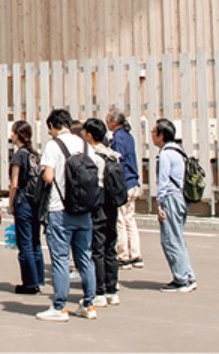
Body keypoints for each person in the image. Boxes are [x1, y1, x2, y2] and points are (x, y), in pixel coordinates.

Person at [36, 107, 97, 322]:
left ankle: (59, 306)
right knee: (84, 256)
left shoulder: (53, 146)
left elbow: (49, 177)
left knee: (61, 258)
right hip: (84, 208)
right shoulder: (84, 144)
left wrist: (42, 172)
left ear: (53, 126)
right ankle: (89, 303)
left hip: (59, 208)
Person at [153, 118, 197, 293]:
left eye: (153, 132)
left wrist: (159, 204)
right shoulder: (179, 151)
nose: (152, 135)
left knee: (170, 240)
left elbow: (163, 181)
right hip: (181, 197)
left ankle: (181, 279)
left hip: (170, 197)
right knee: (178, 238)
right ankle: (188, 275)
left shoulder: (165, 154)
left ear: (161, 135)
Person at [82, 118, 121, 307]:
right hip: (112, 204)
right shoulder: (113, 155)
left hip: (97, 203)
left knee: (97, 249)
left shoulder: (92, 155)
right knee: (110, 247)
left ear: (89, 134)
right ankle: (112, 289)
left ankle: (99, 291)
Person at [8, 120, 45, 295]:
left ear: (17, 134)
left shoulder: (18, 156)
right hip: (36, 200)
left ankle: (29, 283)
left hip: (23, 199)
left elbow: (14, 183)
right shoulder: (35, 154)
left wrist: (10, 203)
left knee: (25, 243)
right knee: (35, 240)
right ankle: (38, 278)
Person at [106, 110, 143, 268]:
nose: (107, 122)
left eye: (108, 119)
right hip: (133, 181)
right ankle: (135, 254)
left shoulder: (117, 138)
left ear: (114, 122)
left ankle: (123, 255)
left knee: (120, 220)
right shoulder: (128, 136)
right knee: (130, 219)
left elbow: (117, 161)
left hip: (124, 183)